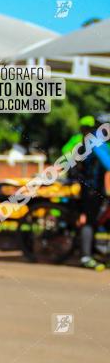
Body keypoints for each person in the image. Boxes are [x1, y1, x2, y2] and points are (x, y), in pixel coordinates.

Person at [67, 116, 110, 270]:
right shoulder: (94, 142)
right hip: (90, 189)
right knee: (89, 220)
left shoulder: (100, 142)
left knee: (96, 221)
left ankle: (91, 251)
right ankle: (85, 257)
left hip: (97, 188)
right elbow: (108, 163)